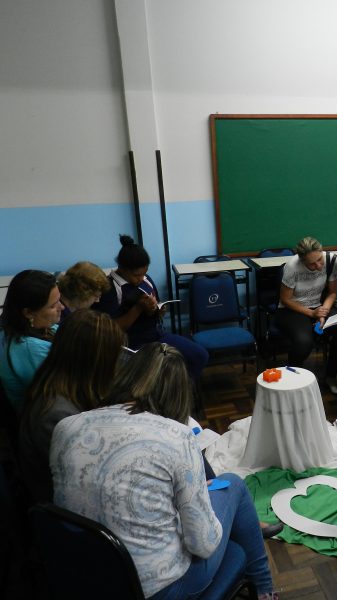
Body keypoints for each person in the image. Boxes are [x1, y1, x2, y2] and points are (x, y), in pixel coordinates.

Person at [50, 343, 278, 600]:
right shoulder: (177, 436)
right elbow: (203, 545)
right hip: (156, 589)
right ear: (179, 393)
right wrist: (206, 509)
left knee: (232, 542)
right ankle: (266, 592)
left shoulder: (65, 428)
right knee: (233, 484)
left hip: (85, 577)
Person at [19, 309, 125, 503]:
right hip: (70, 506)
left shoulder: (69, 390)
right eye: (113, 358)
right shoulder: (57, 414)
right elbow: (91, 477)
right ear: (96, 362)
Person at [95, 234, 208, 381]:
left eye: (144, 273)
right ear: (122, 269)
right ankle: (165, 391)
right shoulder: (109, 288)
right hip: (132, 344)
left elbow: (156, 309)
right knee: (158, 373)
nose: (141, 278)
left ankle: (182, 390)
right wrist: (138, 308)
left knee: (199, 355)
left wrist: (158, 311)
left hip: (156, 336)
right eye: (137, 275)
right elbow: (111, 328)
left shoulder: (146, 280)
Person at [275, 236, 337, 394]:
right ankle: (294, 379)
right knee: (304, 341)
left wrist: (323, 312)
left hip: (319, 305)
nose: (318, 266)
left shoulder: (332, 261)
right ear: (302, 261)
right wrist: (312, 313)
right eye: (312, 264)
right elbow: (285, 299)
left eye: (319, 259)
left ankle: (331, 376)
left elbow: (332, 293)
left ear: (321, 251)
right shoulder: (292, 266)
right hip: (292, 309)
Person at [0, 270, 63, 412]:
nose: (62, 307)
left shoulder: (42, 325)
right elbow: (68, 388)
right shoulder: (29, 348)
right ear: (28, 313)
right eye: (53, 306)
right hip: (43, 415)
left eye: (59, 300)